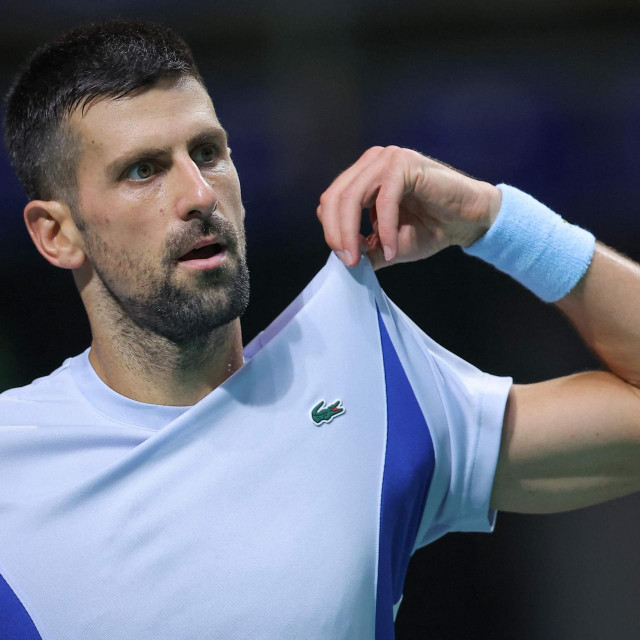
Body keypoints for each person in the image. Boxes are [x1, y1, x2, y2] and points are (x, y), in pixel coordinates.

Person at [1, 18, 639, 640]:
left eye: (207, 153)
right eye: (143, 170)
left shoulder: (368, 377)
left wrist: (495, 220)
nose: (198, 194)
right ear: (56, 233)